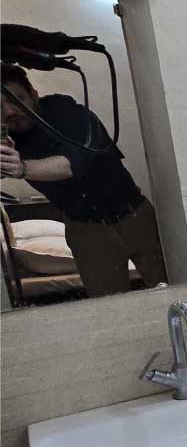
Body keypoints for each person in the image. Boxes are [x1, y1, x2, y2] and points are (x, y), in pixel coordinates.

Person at [0, 63, 167, 297]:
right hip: (86, 232)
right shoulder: (8, 139)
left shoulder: (64, 111)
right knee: (109, 307)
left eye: (17, 99)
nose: (9, 111)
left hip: (134, 216)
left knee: (172, 288)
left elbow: (74, 162)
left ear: (33, 95)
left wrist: (22, 168)